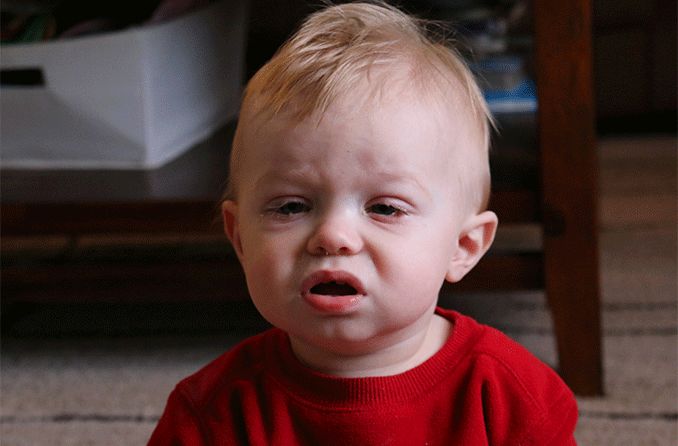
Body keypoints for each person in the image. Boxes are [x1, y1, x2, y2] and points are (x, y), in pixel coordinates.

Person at [148, 2, 578, 444]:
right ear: (239, 238)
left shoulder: (511, 395)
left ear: (463, 247)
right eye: (291, 207)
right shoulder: (212, 414)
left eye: (385, 208)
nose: (333, 236)